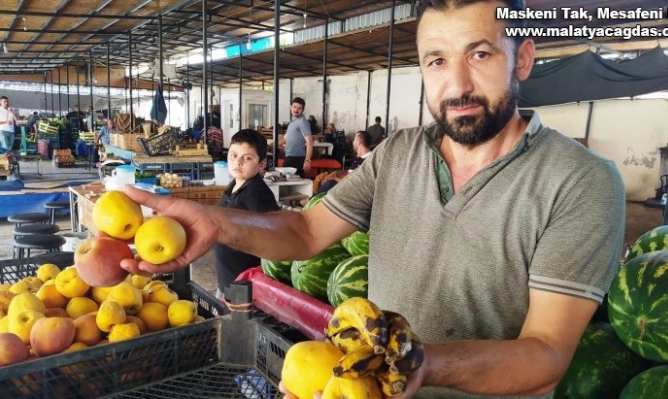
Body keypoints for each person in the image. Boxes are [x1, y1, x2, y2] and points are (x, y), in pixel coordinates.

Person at [119, 1, 625, 397]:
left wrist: (419, 364)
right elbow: (306, 231)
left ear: (524, 59)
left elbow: (545, 358)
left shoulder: (580, 181)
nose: (457, 84)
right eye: (436, 61)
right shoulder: (399, 153)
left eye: (480, 54)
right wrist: (215, 221)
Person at [213, 129, 279, 300]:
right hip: (228, 278)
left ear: (262, 164)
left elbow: (271, 237)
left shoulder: (256, 193)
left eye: (247, 158)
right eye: (233, 156)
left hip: (244, 286)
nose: (238, 162)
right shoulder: (234, 185)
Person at [281, 97, 313, 177]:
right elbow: (285, 138)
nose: (296, 110)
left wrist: (307, 160)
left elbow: (309, 141)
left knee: (291, 182)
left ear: (303, 110)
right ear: (290, 107)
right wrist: (272, 145)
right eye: (294, 107)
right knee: (287, 182)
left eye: (299, 108)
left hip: (296, 158)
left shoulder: (302, 122)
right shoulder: (293, 122)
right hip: (289, 156)